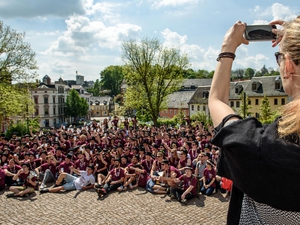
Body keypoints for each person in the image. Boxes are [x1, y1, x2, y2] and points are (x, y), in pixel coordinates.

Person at [208, 17, 300, 224]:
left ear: (288, 66)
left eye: (280, 58)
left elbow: (216, 100)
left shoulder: (261, 147)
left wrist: (227, 48)